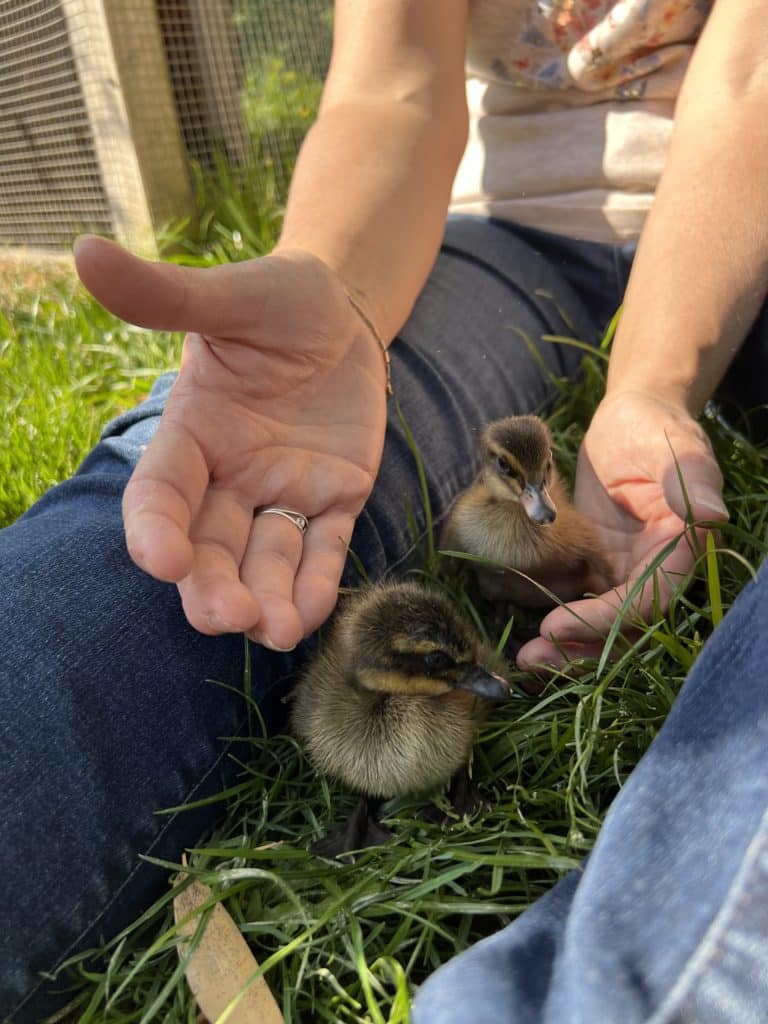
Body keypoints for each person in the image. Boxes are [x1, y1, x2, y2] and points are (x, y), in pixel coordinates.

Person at [1, 0, 766, 1020]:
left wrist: (654, 379)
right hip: (510, 229)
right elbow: (389, 81)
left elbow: (750, 74)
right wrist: (336, 292)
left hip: (748, 205)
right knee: (201, 525)